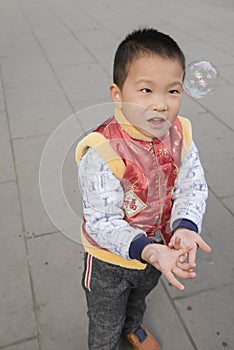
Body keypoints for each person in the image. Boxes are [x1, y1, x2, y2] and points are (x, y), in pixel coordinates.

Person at [76, 28, 212, 350]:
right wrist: (146, 249)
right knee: (105, 317)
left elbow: (192, 184)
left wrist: (185, 225)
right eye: (146, 90)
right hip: (109, 260)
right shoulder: (102, 150)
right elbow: (102, 221)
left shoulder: (181, 135)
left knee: (140, 297)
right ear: (118, 93)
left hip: (157, 248)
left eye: (173, 91)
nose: (161, 105)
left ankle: (134, 326)